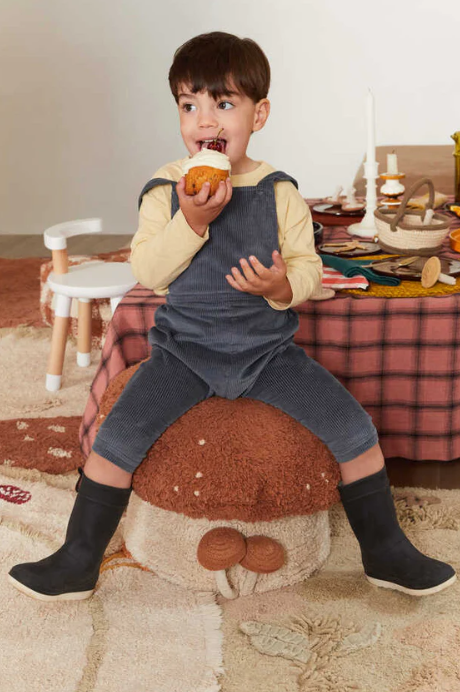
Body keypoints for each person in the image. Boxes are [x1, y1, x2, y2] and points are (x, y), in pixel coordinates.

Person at [9, 31, 455, 601]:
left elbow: (309, 271)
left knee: (354, 428)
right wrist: (191, 223)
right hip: (184, 353)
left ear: (258, 113)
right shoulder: (166, 189)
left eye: (224, 104)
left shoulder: (279, 192)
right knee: (116, 438)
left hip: (266, 353)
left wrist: (280, 286)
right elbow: (149, 271)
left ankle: (385, 553)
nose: (204, 119)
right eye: (189, 105)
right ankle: (76, 561)